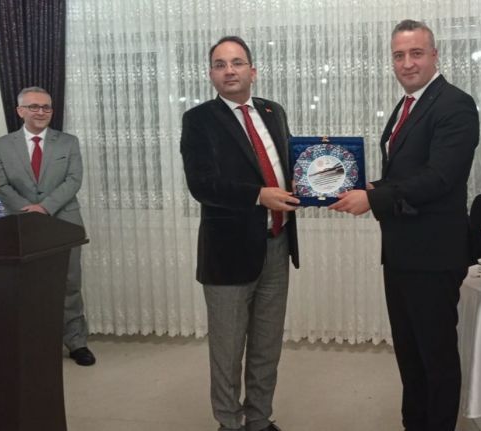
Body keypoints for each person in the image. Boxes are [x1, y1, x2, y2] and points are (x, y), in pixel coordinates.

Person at [330, 20, 479, 431]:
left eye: (416, 53)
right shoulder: (407, 104)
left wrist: (373, 199)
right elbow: (406, 173)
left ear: (434, 55)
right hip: (400, 252)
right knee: (410, 355)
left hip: (433, 255)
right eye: (399, 55)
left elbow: (440, 177)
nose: (407, 63)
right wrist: (372, 187)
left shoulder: (455, 104)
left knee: (436, 358)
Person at [180, 36, 299, 431]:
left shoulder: (273, 112)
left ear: (253, 70)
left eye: (236, 62)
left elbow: (287, 165)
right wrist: (258, 195)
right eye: (220, 64)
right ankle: (229, 423)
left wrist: (310, 182)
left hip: (277, 245)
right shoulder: (199, 120)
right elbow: (202, 185)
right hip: (228, 254)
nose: (229, 70)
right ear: (211, 74)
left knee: (267, 345)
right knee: (228, 350)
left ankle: (260, 419)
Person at [0, 86, 95, 366]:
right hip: (21, 224)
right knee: (29, 285)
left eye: (46, 107)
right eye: (34, 107)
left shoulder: (68, 142)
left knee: (69, 282)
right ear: (20, 111)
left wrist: (45, 207)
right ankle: (37, 342)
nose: (41, 112)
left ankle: (76, 342)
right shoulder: (1, 145)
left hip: (64, 223)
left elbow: (73, 180)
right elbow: (0, 185)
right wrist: (29, 209)